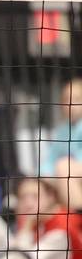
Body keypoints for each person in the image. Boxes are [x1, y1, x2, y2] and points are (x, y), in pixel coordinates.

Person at [41, 79, 82, 209]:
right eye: (66, 99)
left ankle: (78, 216)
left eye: (76, 99)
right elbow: (50, 159)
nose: (70, 104)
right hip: (64, 175)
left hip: (70, 172)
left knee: (64, 166)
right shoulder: (63, 130)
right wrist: (43, 175)